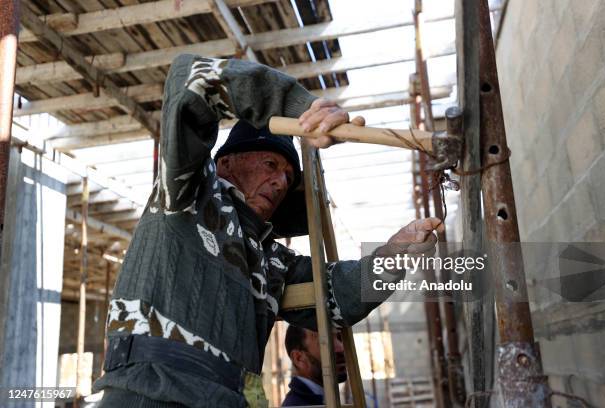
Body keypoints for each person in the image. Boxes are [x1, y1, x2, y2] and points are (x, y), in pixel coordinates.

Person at [93, 54, 443, 408]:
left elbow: (337, 297)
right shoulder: (188, 195)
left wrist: (394, 253)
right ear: (225, 163)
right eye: (271, 164)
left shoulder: (271, 260)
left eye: (289, 177)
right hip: (148, 394)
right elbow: (190, 78)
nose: (279, 182)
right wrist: (303, 108)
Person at [282, 325, 346, 406]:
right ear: (299, 358)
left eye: (340, 338)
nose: (341, 348)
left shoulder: (322, 399)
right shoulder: (298, 405)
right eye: (325, 342)